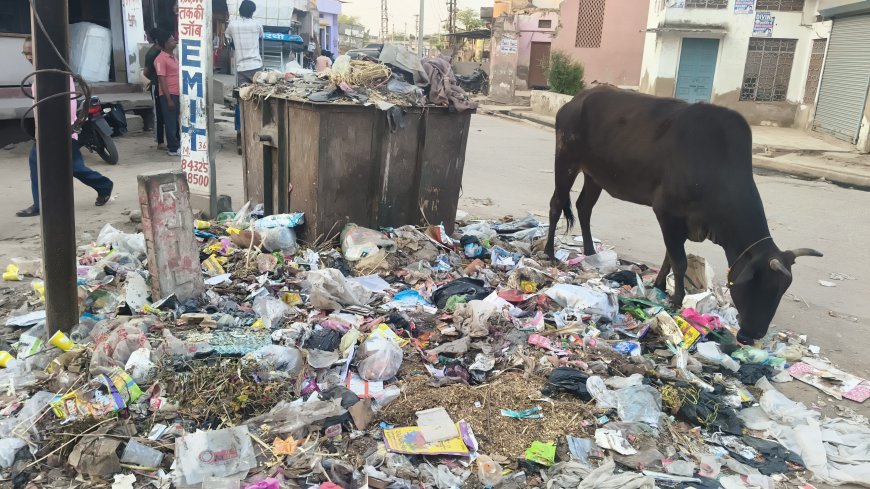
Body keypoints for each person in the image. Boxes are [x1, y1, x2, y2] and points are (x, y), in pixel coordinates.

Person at [17, 37, 113, 218]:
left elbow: (69, 104)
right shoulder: (40, 74)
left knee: (73, 167)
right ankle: (40, 205)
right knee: (35, 162)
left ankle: (104, 185)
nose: (29, 56)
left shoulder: (60, 75)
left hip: (61, 132)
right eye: (26, 53)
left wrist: (65, 130)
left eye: (31, 52)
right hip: (45, 132)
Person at [153, 30, 181, 157]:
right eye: (171, 40)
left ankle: (177, 144)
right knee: (170, 122)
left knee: (175, 121)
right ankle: (173, 148)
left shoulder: (173, 57)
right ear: (165, 44)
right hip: (169, 94)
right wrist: (168, 99)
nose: (174, 41)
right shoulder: (160, 59)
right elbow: (162, 79)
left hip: (177, 93)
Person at [225, 0, 263, 85]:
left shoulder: (232, 25)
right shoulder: (257, 24)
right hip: (256, 65)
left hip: (241, 67)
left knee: (243, 94)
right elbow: (260, 37)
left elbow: (227, 36)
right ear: (252, 12)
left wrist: (234, 43)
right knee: (258, 93)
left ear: (240, 11)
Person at [143, 28, 166, 150]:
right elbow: (146, 72)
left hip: (167, 85)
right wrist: (154, 79)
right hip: (157, 85)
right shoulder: (152, 54)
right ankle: (160, 141)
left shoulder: (166, 51)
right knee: (158, 113)